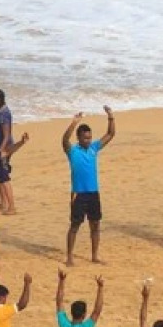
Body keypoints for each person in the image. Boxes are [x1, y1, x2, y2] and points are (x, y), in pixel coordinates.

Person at [62, 108, 116, 266]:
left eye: (90, 137)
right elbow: (64, 139)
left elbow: (110, 134)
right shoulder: (72, 151)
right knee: (75, 226)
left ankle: (94, 256)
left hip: (93, 193)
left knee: (95, 225)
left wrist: (111, 117)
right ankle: (70, 257)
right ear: (79, 138)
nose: (88, 140)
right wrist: (74, 123)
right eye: (85, 138)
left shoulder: (94, 148)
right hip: (78, 194)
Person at [0, 88, 18, 216]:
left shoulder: (4, 114)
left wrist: (1, 151)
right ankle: (3, 203)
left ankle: (12, 206)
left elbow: (7, 135)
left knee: (4, 175)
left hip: (4, 148)